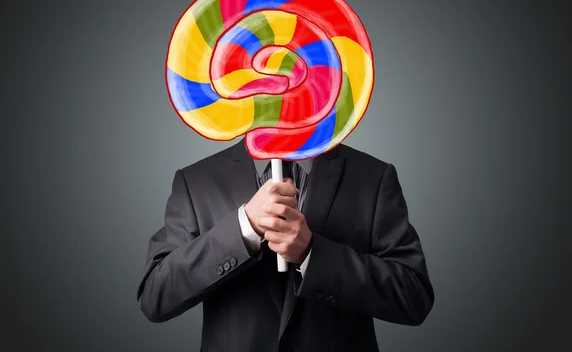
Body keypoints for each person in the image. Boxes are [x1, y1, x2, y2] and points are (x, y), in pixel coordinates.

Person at [137, 140, 434, 352]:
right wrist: (244, 227)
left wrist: (312, 255)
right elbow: (156, 296)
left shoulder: (373, 177)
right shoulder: (196, 181)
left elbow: (413, 296)